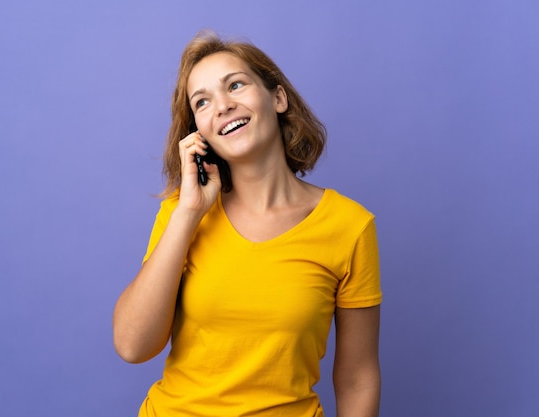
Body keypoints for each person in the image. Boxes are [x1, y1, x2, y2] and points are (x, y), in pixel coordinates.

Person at [113, 30, 382, 417]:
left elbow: (358, 378)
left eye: (235, 85)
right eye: (202, 102)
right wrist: (189, 214)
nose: (222, 106)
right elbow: (132, 346)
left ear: (277, 98)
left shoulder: (349, 226)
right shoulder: (182, 213)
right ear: (198, 133)